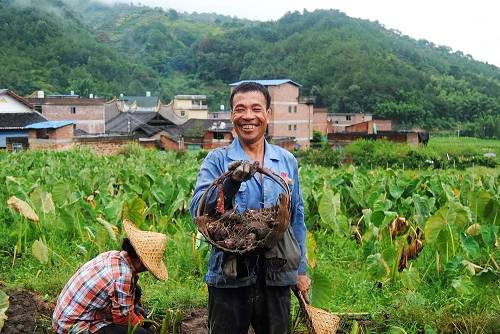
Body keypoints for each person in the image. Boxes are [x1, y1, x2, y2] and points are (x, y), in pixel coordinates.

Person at [190, 82, 311, 334]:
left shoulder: (286, 160)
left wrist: (300, 270)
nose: (248, 116)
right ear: (232, 115)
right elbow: (198, 210)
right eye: (239, 109)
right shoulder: (218, 160)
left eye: (256, 108)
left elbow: (296, 217)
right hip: (229, 274)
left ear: (267, 113)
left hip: (276, 274)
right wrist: (231, 183)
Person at [52, 220, 168, 334]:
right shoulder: (123, 276)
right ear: (139, 261)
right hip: (72, 327)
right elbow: (122, 319)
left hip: (65, 317)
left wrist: (136, 314)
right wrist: (139, 321)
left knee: (135, 290)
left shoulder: (114, 255)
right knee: (139, 332)